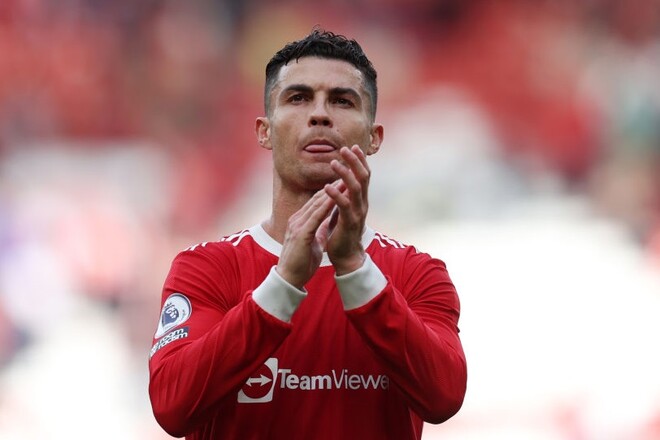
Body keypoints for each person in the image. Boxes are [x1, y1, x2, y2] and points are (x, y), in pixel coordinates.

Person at [148, 28, 467, 440]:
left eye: (342, 100)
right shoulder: (207, 268)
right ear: (264, 131)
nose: (320, 115)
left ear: (374, 138)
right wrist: (283, 284)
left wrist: (354, 268)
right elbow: (172, 407)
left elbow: (444, 397)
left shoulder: (416, 273)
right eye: (298, 98)